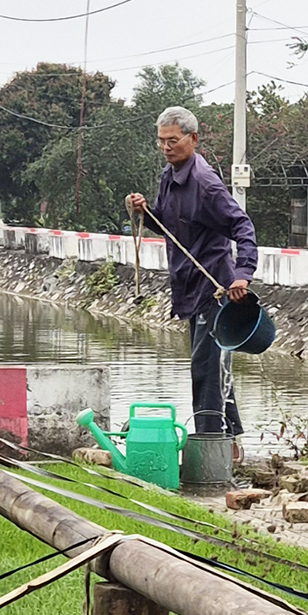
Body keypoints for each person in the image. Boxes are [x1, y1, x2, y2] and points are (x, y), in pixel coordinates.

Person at [127, 106, 258, 442]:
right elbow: (168, 229)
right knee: (213, 369)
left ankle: (210, 445)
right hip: (189, 288)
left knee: (206, 371)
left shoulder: (204, 183)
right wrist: (144, 212)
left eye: (173, 140)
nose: (167, 147)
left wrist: (242, 273)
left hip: (215, 290)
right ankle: (229, 444)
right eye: (161, 142)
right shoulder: (168, 177)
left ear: (192, 138)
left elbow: (242, 225)